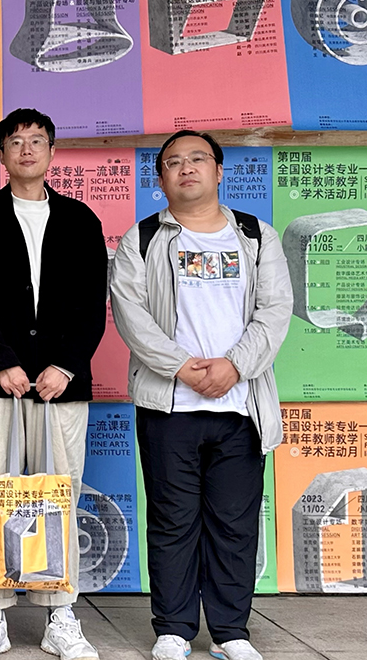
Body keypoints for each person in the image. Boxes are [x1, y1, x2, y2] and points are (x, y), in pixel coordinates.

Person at [110, 131, 292, 660]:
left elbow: (275, 309)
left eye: (197, 159)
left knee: (235, 524)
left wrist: (234, 366)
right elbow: (130, 313)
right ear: (161, 178)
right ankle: (173, 628)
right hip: (170, 405)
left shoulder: (256, 236)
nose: (186, 168)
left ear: (218, 171)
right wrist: (183, 368)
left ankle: (231, 632)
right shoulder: (143, 238)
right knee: (172, 521)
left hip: (241, 407)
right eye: (173, 162)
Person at [0, 108, 107, 660]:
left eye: (36, 140)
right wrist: (2, 361)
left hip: (61, 385)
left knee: (57, 495)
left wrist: (64, 365)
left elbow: (92, 303)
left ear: (52, 151)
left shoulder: (81, 220)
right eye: (15, 141)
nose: (26, 149)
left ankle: (60, 614)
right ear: (1, 154)